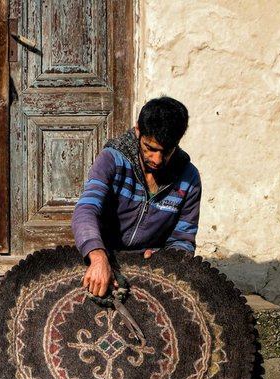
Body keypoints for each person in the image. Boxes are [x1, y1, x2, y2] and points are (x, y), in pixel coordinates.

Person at [71, 96, 201, 297]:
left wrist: (168, 259)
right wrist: (97, 255)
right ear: (138, 130)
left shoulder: (189, 178)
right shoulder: (111, 160)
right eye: (150, 148)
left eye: (166, 151)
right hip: (104, 255)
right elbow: (87, 209)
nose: (158, 159)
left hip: (149, 265)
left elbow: (183, 238)